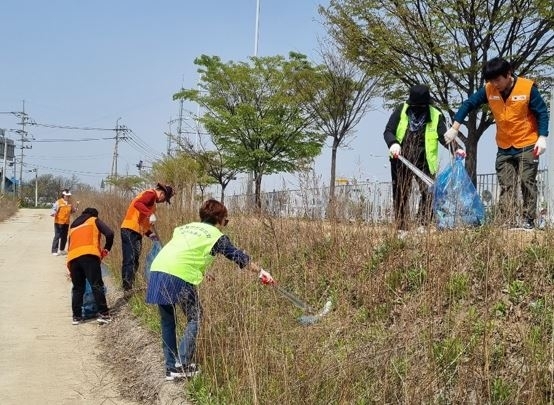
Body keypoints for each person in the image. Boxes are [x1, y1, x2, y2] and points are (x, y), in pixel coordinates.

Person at [145, 199, 275, 381]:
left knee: (167, 321)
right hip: (179, 275)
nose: (225, 225)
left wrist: (203, 272)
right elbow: (238, 256)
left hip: (158, 269)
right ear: (220, 219)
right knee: (195, 316)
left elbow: (185, 252)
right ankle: (181, 364)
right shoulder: (215, 235)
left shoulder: (184, 228)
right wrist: (261, 272)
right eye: (226, 221)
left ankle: (170, 368)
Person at [444, 57, 549, 229]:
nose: (495, 84)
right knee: (506, 184)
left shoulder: (527, 88)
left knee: (526, 181)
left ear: (508, 74)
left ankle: (528, 220)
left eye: (498, 79)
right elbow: (469, 104)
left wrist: (542, 137)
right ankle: (507, 220)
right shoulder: (489, 89)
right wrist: (455, 127)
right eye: (491, 80)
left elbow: (542, 112)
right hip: (504, 146)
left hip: (527, 143)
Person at [384, 84, 457, 232]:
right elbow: (388, 131)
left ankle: (423, 223)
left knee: (429, 191)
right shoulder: (401, 110)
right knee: (400, 193)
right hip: (401, 158)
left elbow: (444, 137)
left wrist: (457, 150)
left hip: (424, 161)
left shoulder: (435, 114)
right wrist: (393, 143)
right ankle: (402, 227)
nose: (418, 108)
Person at [120, 183, 174, 292]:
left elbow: (142, 222)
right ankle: (127, 287)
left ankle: (130, 285)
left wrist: (151, 234)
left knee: (135, 259)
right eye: (165, 199)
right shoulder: (151, 194)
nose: (163, 201)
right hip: (130, 230)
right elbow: (138, 204)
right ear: (162, 193)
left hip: (136, 232)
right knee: (130, 258)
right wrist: (150, 214)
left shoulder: (152, 202)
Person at [67, 207, 114, 325]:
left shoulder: (73, 226)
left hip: (73, 258)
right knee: (96, 285)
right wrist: (107, 249)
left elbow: (69, 244)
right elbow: (110, 233)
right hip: (89, 256)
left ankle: (76, 317)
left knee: (78, 288)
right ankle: (104, 314)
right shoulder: (93, 220)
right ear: (94, 215)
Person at [50, 189, 79, 255]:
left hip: (66, 222)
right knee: (57, 236)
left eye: (69, 196)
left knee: (64, 236)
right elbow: (53, 209)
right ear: (63, 196)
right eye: (67, 196)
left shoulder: (69, 204)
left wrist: (76, 208)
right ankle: (54, 251)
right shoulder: (58, 202)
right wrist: (53, 213)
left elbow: (72, 211)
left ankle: (62, 249)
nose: (68, 197)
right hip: (58, 222)